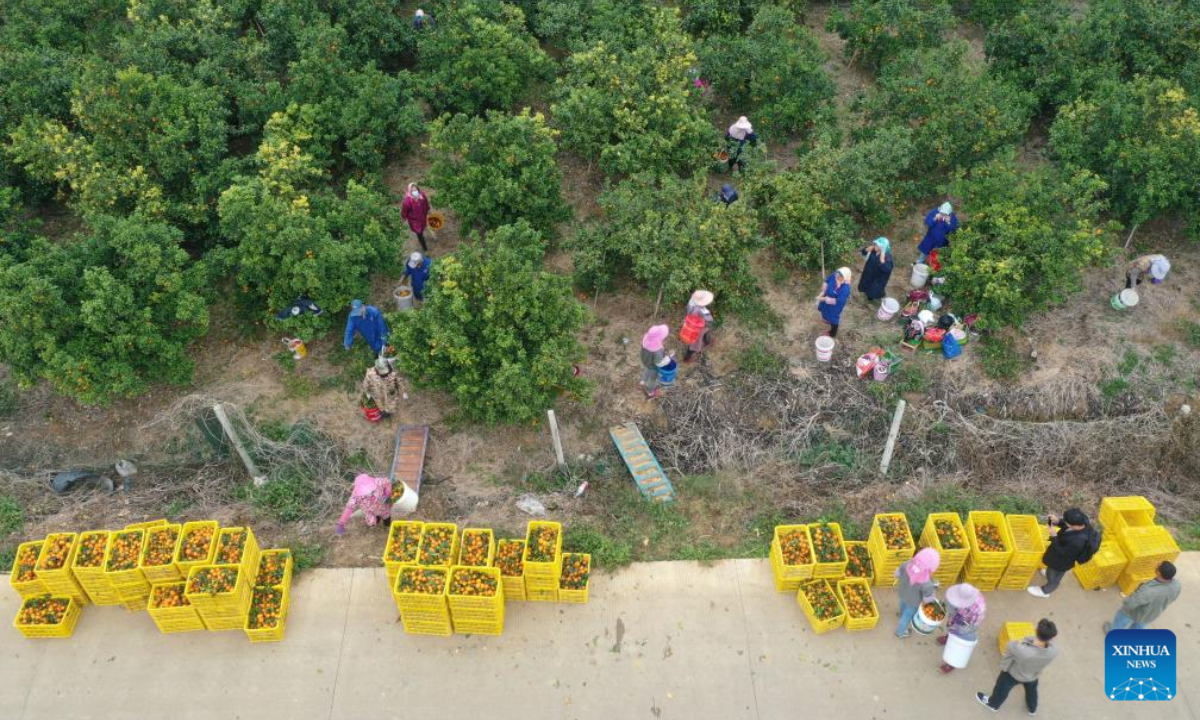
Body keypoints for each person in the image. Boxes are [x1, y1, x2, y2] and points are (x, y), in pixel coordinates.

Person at [977, 618, 1059, 714]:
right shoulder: (1054, 651)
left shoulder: (1022, 649)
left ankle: (993, 704)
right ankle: (1032, 709)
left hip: (1013, 674)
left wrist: (1025, 641)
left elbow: (1010, 646)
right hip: (1033, 675)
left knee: (1001, 689)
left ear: (1036, 630)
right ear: (1051, 638)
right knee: (1032, 691)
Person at [1028, 508, 1100, 598]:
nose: (1065, 523)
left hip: (1062, 561)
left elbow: (1062, 553)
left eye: (1066, 522)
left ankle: (1045, 591)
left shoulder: (1078, 542)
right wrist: (1057, 521)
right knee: (1051, 571)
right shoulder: (1083, 522)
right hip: (1063, 554)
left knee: (1054, 577)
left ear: (1075, 526)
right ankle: (1050, 574)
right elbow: (1066, 526)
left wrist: (1054, 536)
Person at [1104, 561, 1181, 632]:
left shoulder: (1148, 591)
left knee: (1121, 620)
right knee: (1138, 628)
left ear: (1159, 573)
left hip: (1134, 613)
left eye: (1158, 566)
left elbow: (1130, 603)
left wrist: (1126, 604)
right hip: (1152, 615)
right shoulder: (1177, 585)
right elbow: (1173, 598)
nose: (1156, 565)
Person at [938, 583, 985, 674]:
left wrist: (960, 630)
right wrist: (949, 613)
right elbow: (949, 602)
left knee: (960, 642)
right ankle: (948, 637)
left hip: (966, 623)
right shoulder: (956, 592)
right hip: (956, 615)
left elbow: (972, 626)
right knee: (950, 626)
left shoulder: (978, 609)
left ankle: (952, 663)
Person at [894, 548, 940, 638]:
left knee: (903, 603)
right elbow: (927, 600)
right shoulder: (927, 583)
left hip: (902, 591)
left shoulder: (907, 564)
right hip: (913, 602)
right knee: (907, 617)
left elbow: (897, 574)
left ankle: (900, 613)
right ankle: (900, 632)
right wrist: (934, 589)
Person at [816, 267, 852, 338]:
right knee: (824, 309)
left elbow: (839, 301)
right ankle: (827, 319)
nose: (837, 278)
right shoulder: (835, 275)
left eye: (840, 278)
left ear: (845, 278)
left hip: (834, 307)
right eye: (837, 276)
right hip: (826, 300)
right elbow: (827, 281)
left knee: (833, 318)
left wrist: (825, 299)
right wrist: (823, 290)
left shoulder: (845, 289)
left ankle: (833, 333)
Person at [681, 290, 715, 363]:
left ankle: (707, 341)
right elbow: (709, 321)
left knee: (704, 333)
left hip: (690, 323)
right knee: (694, 342)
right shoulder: (704, 311)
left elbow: (688, 311)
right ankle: (687, 358)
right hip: (698, 327)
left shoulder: (691, 303)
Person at [640, 324, 672, 399]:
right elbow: (659, 363)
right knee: (652, 379)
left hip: (646, 360)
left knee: (647, 369)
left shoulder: (646, 339)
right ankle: (650, 392)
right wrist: (668, 359)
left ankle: (643, 381)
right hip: (653, 366)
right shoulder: (657, 351)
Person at [858, 237, 894, 302]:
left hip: (877, 278)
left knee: (873, 289)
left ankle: (871, 297)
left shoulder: (887, 257)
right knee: (866, 284)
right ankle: (866, 291)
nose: (875, 246)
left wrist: (882, 261)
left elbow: (887, 270)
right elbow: (863, 253)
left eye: (877, 245)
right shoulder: (873, 251)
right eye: (875, 244)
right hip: (868, 272)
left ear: (882, 248)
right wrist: (866, 250)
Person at [400, 182, 432, 252]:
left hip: (423, 217)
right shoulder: (407, 202)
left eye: (416, 190)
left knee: (424, 226)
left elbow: (426, 203)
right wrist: (403, 219)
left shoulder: (422, 196)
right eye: (413, 191)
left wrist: (428, 210)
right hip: (414, 222)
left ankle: (425, 229)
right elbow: (404, 212)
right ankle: (425, 249)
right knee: (419, 233)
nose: (415, 192)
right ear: (409, 191)